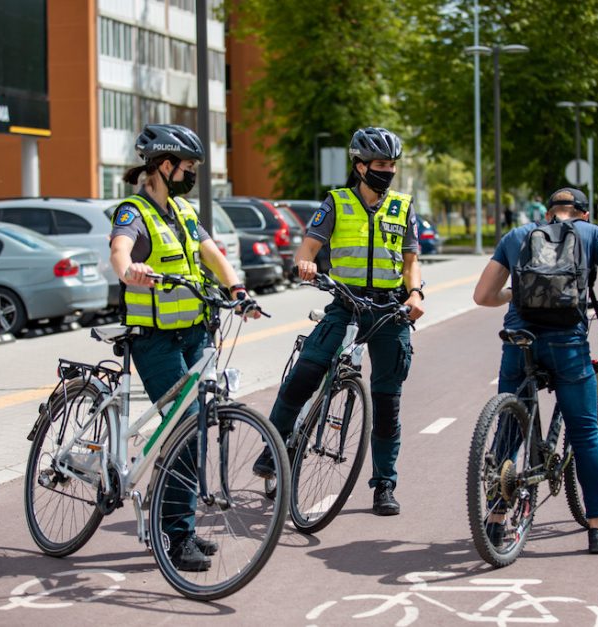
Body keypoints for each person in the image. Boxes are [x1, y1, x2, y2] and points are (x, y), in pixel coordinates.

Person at [110, 123, 260, 571]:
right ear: (163, 165)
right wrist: (130, 271)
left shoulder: (184, 212)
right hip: (154, 339)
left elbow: (212, 252)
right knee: (185, 426)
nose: (192, 174)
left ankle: (182, 523)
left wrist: (237, 289)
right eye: (188, 166)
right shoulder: (133, 211)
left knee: (198, 424)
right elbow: (120, 252)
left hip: (195, 332)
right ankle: (176, 537)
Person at [253, 126, 425, 516]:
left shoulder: (403, 206)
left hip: (388, 312)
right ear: (361, 166)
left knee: (387, 404)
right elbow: (308, 246)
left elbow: (412, 262)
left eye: (392, 165)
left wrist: (415, 294)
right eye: (381, 165)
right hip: (345, 305)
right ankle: (273, 447)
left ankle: (384, 485)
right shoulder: (336, 202)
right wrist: (306, 263)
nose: (388, 172)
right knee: (302, 377)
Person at [472, 187, 598, 554]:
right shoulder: (593, 234)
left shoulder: (518, 235)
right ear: (585, 214)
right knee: (586, 433)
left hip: (519, 340)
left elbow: (483, 296)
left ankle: (495, 521)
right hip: (566, 343)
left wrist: (514, 293)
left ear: (548, 213)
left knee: (508, 430)